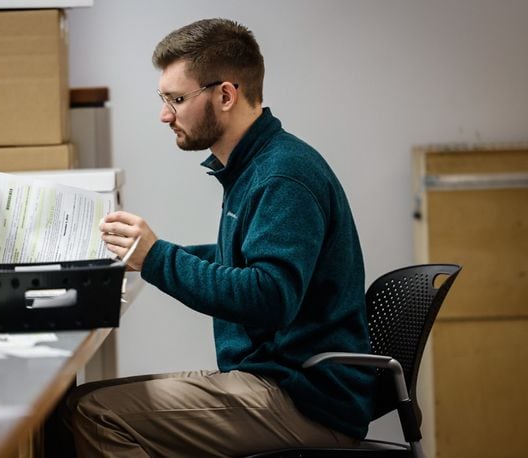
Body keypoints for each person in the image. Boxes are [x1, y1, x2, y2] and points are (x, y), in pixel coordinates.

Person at [65, 18, 374, 456]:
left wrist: (157, 258)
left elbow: (270, 296)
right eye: (163, 99)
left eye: (176, 99)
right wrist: (143, 258)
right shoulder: (256, 166)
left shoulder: (282, 175)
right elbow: (244, 262)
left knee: (96, 414)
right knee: (72, 403)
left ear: (226, 95)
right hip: (279, 379)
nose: (164, 114)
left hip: (306, 397)